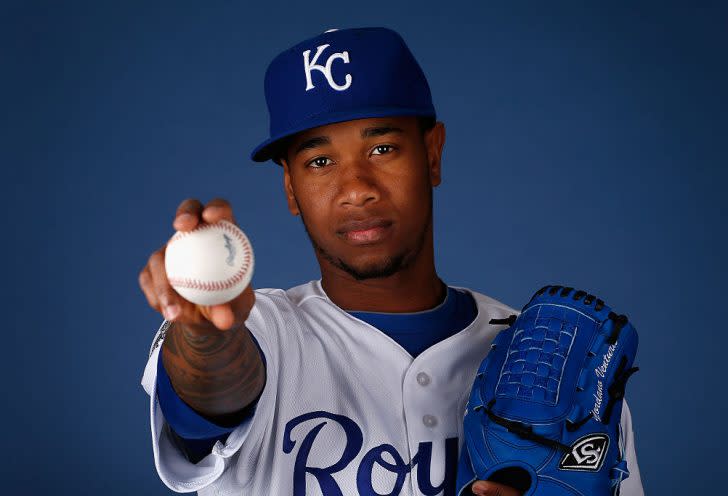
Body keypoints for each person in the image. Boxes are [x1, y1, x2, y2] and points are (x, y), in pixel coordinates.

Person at [139, 27, 643, 496]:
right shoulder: (261, 334)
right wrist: (206, 337)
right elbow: (212, 394)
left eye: (382, 148)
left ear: (432, 155)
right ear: (290, 187)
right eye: (319, 161)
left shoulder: (561, 365)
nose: (356, 189)